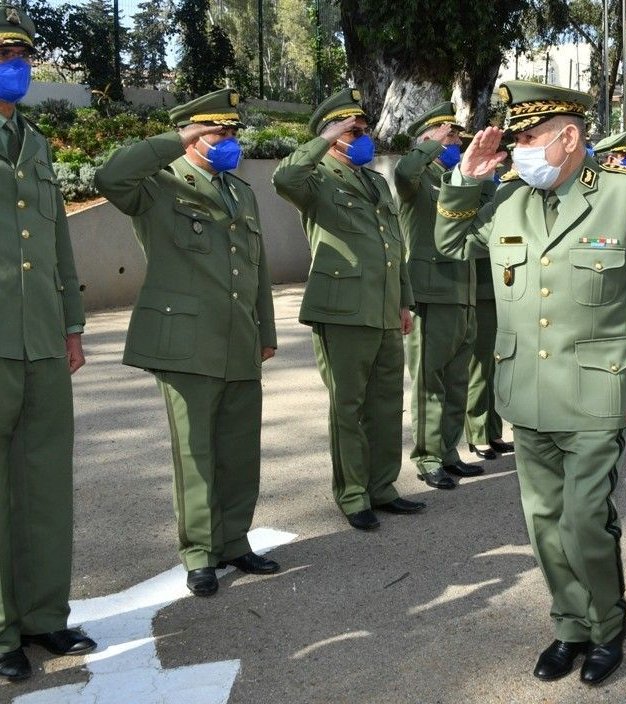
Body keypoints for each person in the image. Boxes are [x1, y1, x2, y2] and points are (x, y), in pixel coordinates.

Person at [435, 80, 626, 686]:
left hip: (596, 388)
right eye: (515, 141)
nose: (519, 150)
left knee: (584, 518)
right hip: (527, 388)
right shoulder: (508, 202)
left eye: (529, 138)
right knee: (543, 520)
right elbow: (451, 243)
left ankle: (608, 627)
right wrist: (467, 178)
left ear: (568, 138)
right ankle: (569, 626)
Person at [94, 88, 281, 598]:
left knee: (239, 448)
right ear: (193, 135)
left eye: (233, 131)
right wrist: (175, 140)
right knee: (195, 452)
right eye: (218, 132)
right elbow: (109, 178)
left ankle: (234, 540)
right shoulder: (158, 185)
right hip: (186, 340)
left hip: (239, 336)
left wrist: (265, 330)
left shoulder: (240, 191)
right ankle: (200, 553)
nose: (229, 140)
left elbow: (257, 268)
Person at [273, 88, 424, 532]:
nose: (363, 137)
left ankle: (382, 487)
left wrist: (403, 301)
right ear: (333, 134)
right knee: (349, 407)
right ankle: (353, 494)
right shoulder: (315, 178)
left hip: (383, 308)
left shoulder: (374, 181)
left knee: (386, 404)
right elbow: (283, 178)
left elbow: (394, 246)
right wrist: (325, 139)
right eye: (352, 130)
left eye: (363, 129)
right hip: (342, 311)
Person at [0, 6, 96, 681]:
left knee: (44, 485)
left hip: (39, 341)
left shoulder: (32, 142)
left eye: (20, 58)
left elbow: (56, 241)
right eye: (4, 58)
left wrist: (72, 325)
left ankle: (42, 616)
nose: (15, 68)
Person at [395, 102, 482, 490]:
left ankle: (448, 451)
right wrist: (431, 144)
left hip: (463, 290)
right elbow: (404, 171)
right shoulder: (418, 178)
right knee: (430, 381)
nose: (455, 143)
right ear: (426, 140)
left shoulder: (454, 178)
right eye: (449, 137)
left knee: (457, 380)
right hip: (432, 291)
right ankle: (428, 456)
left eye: (457, 138)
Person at [464, 131, 515, 461]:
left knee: (499, 366)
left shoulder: (504, 186)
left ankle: (494, 430)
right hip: (483, 288)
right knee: (481, 366)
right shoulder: (476, 188)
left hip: (504, 289)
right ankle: (479, 431)